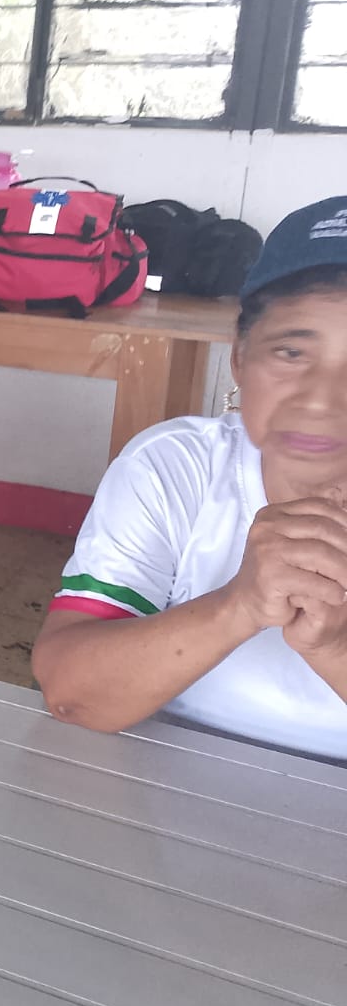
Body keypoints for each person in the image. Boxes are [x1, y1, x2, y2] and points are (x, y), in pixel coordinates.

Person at [32, 196, 347, 759]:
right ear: (240, 359)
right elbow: (71, 692)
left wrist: (335, 649)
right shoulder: (176, 468)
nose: (322, 399)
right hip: (156, 789)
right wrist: (239, 605)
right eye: (292, 352)